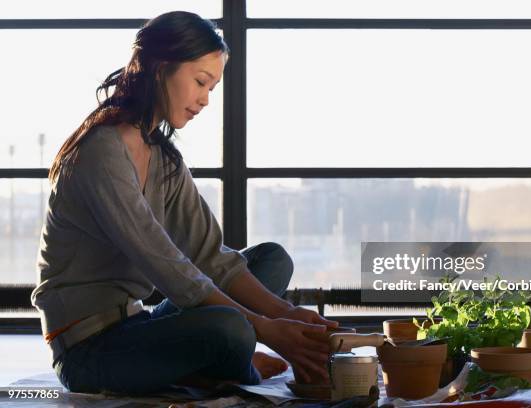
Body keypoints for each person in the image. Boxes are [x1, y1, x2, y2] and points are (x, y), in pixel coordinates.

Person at [30, 11, 338, 395]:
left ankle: (217, 362)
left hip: (139, 326)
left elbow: (212, 258)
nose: (206, 100)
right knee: (232, 328)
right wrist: (268, 331)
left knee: (270, 260)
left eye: (212, 88)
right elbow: (169, 268)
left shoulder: (163, 158)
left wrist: (290, 316)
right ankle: (230, 362)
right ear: (161, 68)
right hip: (87, 350)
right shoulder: (101, 150)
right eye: (200, 82)